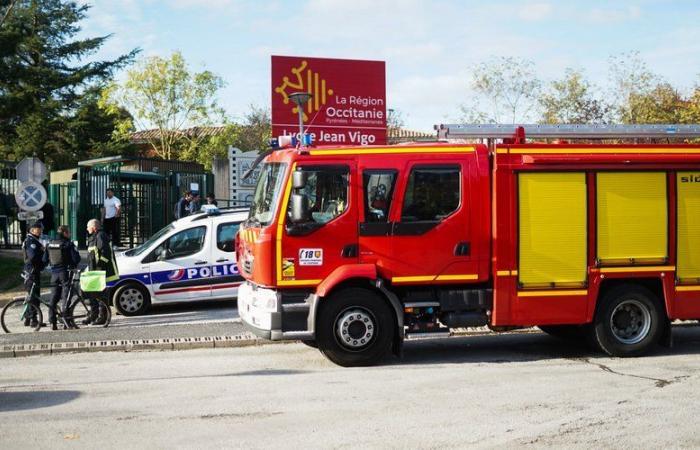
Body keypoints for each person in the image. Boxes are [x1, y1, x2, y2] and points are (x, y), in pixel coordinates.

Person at [47, 225, 81, 330]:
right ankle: (66, 321)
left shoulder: (50, 243)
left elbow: (45, 259)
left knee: (53, 298)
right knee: (66, 297)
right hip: (65, 273)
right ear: (65, 233)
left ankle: (53, 322)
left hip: (54, 274)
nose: (70, 234)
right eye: (69, 232)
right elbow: (76, 259)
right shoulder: (68, 244)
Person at [85, 219, 119, 324]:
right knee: (93, 295)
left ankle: (102, 317)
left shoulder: (101, 236)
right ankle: (93, 315)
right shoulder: (92, 238)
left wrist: (100, 267)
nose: (87, 229)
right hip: (94, 272)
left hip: (103, 272)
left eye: (88, 227)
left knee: (101, 296)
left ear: (94, 227)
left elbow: (105, 253)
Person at [21, 222, 48, 327]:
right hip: (32, 272)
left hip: (30, 272)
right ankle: (34, 320)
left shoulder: (32, 240)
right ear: (32, 230)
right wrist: (44, 258)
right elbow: (32, 257)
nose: (41, 230)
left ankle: (28, 318)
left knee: (30, 295)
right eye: (38, 229)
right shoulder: (31, 241)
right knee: (34, 296)